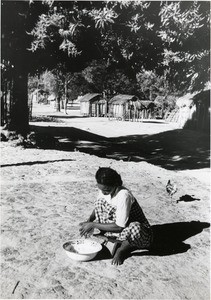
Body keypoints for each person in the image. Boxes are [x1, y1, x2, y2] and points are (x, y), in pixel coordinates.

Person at [79, 167, 153, 265]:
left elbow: (119, 227)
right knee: (100, 202)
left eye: (106, 190)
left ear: (116, 185)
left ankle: (122, 249)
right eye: (101, 189)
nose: (103, 192)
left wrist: (93, 225)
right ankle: (112, 238)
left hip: (134, 232)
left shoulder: (124, 195)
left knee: (136, 228)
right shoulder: (104, 190)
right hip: (116, 227)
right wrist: (89, 221)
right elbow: (97, 208)